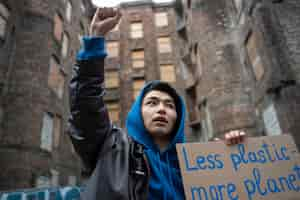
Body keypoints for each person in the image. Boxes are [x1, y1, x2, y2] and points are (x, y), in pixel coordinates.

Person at [68, 7, 246, 200]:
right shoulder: (113, 150)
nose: (162, 108)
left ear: (178, 117)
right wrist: (96, 40)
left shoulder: (196, 166)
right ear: (138, 112)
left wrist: (233, 156)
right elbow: (86, 107)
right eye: (152, 103)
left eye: (170, 105)